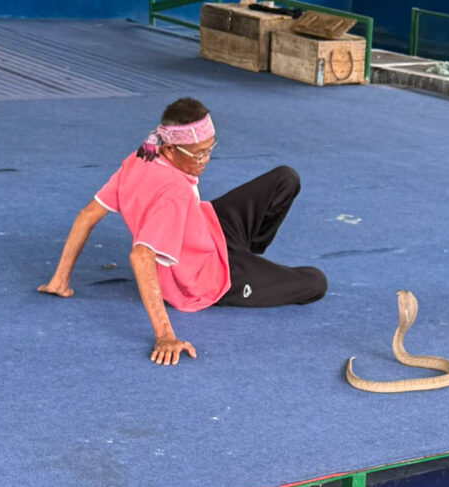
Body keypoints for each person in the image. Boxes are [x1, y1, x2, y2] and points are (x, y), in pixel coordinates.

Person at [38, 97, 327, 365]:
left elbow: (87, 215)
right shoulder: (174, 192)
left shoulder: (142, 156)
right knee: (315, 283)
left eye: (209, 150)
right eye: (198, 155)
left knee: (284, 179)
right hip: (206, 280)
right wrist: (165, 334)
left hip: (210, 226)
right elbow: (141, 255)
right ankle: (244, 269)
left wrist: (59, 280)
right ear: (170, 149)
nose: (206, 160)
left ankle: (249, 256)